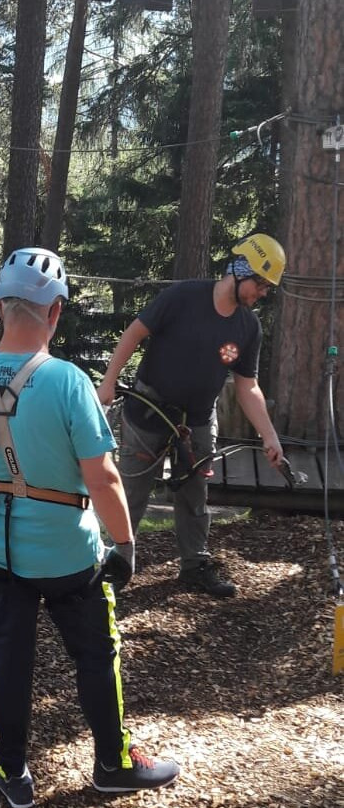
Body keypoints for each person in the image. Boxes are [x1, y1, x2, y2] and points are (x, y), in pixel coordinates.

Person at [0, 247, 179, 808]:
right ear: (56, 312)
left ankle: (12, 770)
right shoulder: (69, 382)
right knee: (96, 653)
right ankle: (113, 763)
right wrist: (125, 544)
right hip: (68, 555)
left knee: (8, 656)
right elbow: (105, 479)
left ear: (0, 305)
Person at [97, 233, 287, 598]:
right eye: (261, 284)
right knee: (133, 490)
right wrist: (108, 383)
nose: (262, 293)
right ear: (240, 270)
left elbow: (247, 386)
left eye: (267, 288)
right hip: (149, 411)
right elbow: (134, 333)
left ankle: (194, 566)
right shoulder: (183, 297)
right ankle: (118, 563)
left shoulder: (248, 327)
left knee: (194, 493)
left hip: (197, 420)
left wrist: (270, 435)